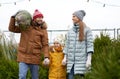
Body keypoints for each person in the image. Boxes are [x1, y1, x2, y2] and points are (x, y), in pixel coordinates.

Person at [8, 9, 50, 79]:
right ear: (34, 19)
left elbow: (45, 45)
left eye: (41, 17)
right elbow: (12, 28)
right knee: (22, 76)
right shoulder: (25, 27)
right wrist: (13, 17)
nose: (40, 19)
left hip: (35, 57)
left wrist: (46, 57)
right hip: (23, 56)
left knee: (35, 77)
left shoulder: (43, 30)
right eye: (38, 17)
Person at [62, 10, 94, 79]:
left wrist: (89, 59)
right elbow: (67, 45)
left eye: (74, 16)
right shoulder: (70, 31)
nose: (72, 18)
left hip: (82, 63)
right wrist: (65, 57)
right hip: (71, 63)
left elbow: (90, 45)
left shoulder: (87, 30)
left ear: (79, 18)